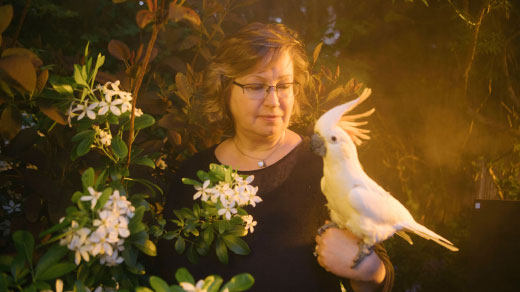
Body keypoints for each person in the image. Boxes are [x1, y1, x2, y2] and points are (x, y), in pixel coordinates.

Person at [157, 22, 394, 292]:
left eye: (284, 86)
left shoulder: (325, 165)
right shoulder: (192, 177)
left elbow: (379, 279)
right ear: (226, 89)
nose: (273, 101)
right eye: (257, 86)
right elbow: (173, 278)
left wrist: (364, 267)